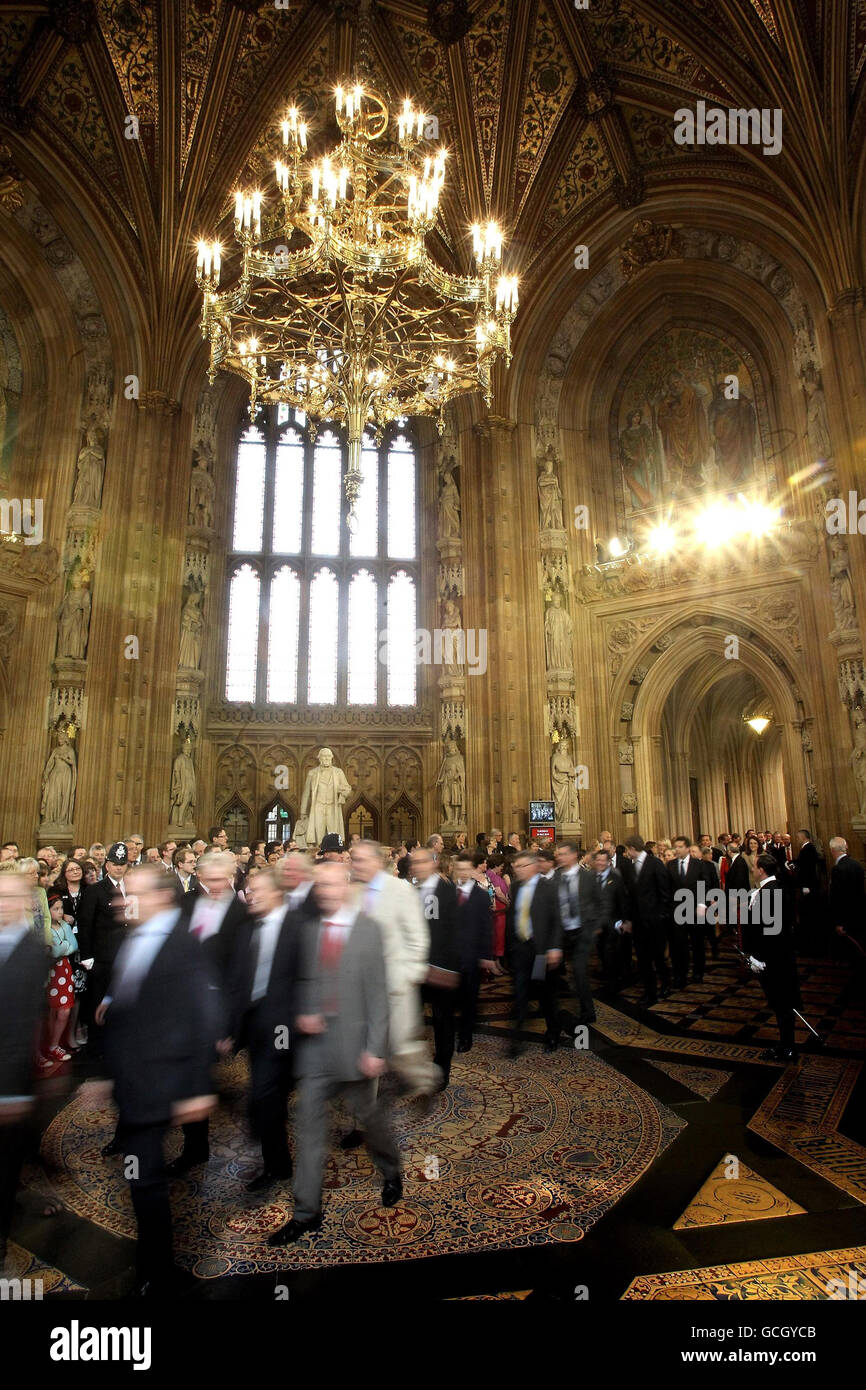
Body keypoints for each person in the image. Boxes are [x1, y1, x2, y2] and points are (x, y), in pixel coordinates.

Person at [86, 865, 218, 1296]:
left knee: (147, 1181)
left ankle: (155, 1274)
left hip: (162, 1079)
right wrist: (107, 1075)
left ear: (162, 897)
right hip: (133, 1079)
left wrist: (197, 1088)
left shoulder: (184, 945)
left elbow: (204, 1017)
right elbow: (123, 1013)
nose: (124, 901)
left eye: (134, 893)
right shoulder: (133, 938)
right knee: (142, 1176)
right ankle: (151, 1268)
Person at [267, 862, 401, 1246]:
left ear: (345, 886)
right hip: (316, 1052)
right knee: (309, 1132)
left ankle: (391, 1171)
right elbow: (304, 982)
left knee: (370, 1122)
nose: (323, 891)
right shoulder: (309, 931)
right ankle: (306, 1213)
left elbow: (378, 996)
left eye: (330, 884)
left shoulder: (369, 931)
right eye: (318, 885)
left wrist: (376, 1049)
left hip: (357, 1050)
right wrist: (305, 1011)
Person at [168, 850, 250, 1175]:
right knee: (189, 1074)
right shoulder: (188, 904)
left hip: (217, 1007)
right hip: (183, 1002)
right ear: (200, 877)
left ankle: (200, 1138)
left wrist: (229, 1026)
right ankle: (194, 1145)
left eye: (222, 879)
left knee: (198, 1073)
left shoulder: (240, 915)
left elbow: (240, 971)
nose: (215, 886)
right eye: (209, 879)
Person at [229, 866, 302, 1193]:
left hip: (287, 1027)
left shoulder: (299, 927)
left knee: (265, 1093)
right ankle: (277, 1163)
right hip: (256, 1025)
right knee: (267, 1091)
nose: (250, 895)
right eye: (248, 889)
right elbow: (238, 983)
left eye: (256, 889)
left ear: (276, 892)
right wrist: (229, 1029)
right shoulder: (247, 929)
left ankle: (274, 1152)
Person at [349, 840, 436, 1094]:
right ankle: (364, 1119)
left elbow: (418, 937)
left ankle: (425, 1080)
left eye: (362, 860)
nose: (357, 865)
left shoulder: (399, 890)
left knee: (401, 1047)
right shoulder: (352, 892)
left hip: (394, 984)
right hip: (362, 988)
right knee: (367, 1049)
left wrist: (409, 975)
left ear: (377, 862)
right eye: (354, 860)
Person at [0, 872, 48, 1268]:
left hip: (9, 1082)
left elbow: (23, 1026)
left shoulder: (32, 952)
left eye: (9, 897)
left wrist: (13, 1091)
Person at [77, 841, 131, 1070]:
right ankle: (97, 1048)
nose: (119, 868)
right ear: (107, 864)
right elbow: (86, 924)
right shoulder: (95, 890)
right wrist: (88, 957)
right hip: (103, 958)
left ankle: (120, 1045)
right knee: (99, 1004)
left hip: (126, 957)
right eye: (115, 863)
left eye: (123, 863)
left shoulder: (132, 888)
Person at [742, 853, 799, 1063]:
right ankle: (786, 1045)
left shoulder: (769, 893)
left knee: (782, 1003)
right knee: (780, 1003)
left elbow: (771, 932)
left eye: (754, 867)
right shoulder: (770, 890)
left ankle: (788, 1047)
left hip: (775, 960)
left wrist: (758, 957)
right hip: (776, 958)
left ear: (762, 870)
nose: (753, 870)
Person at [412, 846, 460, 1088]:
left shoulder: (446, 889)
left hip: (440, 969)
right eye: (414, 862)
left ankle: (442, 1069)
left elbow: (453, 931)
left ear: (433, 863)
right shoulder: (410, 889)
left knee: (442, 1022)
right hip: (415, 969)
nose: (417, 866)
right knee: (411, 1019)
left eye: (421, 862)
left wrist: (446, 967)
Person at [506, 850, 562, 1055]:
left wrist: (555, 947)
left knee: (545, 993)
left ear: (532, 867)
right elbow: (512, 917)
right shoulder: (516, 886)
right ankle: (516, 1039)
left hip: (540, 951)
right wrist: (508, 947)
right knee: (520, 994)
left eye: (520, 866)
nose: (516, 870)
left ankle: (553, 1033)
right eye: (515, 866)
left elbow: (557, 920)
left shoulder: (549, 887)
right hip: (521, 949)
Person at [553, 839, 602, 1028]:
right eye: (559, 854)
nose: (560, 857)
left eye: (564, 854)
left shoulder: (588, 877)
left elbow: (600, 902)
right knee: (548, 971)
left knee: (580, 972)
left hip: (582, 931)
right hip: (561, 932)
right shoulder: (556, 877)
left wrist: (596, 925)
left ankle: (587, 1012)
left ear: (574, 855)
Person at [620, 834, 672, 1007]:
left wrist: (661, 915)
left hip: (655, 922)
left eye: (628, 849)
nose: (627, 853)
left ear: (633, 848)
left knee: (658, 957)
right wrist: (628, 919)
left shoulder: (655, 864)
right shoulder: (630, 867)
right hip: (638, 923)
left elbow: (665, 892)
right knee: (643, 959)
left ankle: (665, 984)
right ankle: (650, 992)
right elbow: (629, 896)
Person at [452, 852, 495, 1052]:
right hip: (451, 958)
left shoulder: (480, 896)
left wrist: (486, 956)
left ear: (471, 871)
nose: (460, 872)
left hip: (472, 956)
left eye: (464, 869)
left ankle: (465, 1036)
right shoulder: (448, 893)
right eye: (457, 869)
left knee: (469, 999)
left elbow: (486, 928)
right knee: (454, 998)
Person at [594, 847, 630, 990]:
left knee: (611, 952)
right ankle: (609, 975)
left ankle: (614, 981)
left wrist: (625, 920)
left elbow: (623, 901)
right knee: (601, 951)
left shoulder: (616, 878)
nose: (601, 863)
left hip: (613, 922)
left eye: (603, 860)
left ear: (609, 862)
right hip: (597, 924)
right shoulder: (590, 877)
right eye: (598, 860)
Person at [827, 837, 865, 955]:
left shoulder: (838, 869)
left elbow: (838, 898)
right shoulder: (857, 865)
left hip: (845, 917)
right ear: (846, 847)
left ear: (832, 850)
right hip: (858, 913)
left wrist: (839, 922)